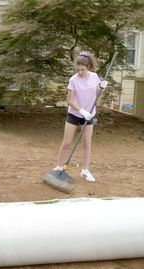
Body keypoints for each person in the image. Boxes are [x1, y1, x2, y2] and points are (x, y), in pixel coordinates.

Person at [53, 51, 108, 182]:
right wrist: (81, 111)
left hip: (89, 114)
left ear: (88, 66)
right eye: (77, 70)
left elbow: (97, 94)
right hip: (75, 113)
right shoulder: (73, 80)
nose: (80, 72)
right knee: (67, 142)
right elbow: (70, 100)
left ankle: (85, 170)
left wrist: (102, 88)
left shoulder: (95, 77)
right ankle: (59, 167)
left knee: (87, 143)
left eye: (82, 69)